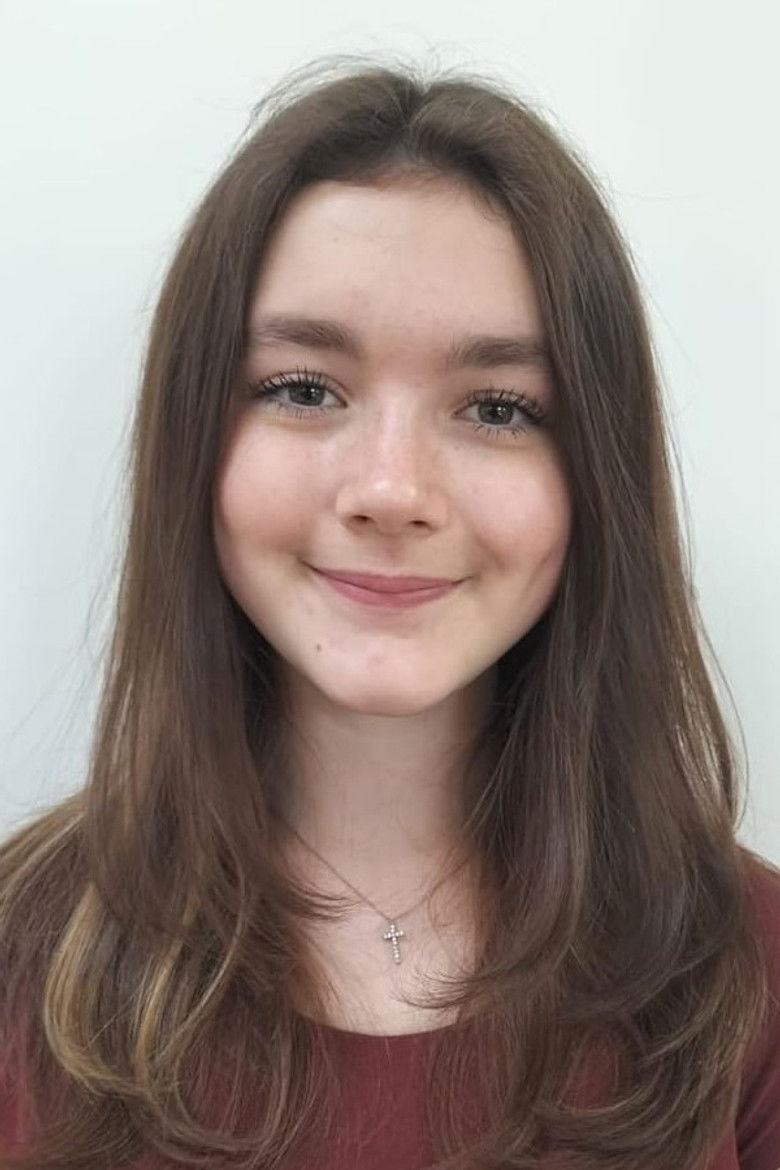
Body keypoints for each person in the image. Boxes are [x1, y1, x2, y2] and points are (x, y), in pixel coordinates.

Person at [0, 52, 778, 1170]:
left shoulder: (749, 966)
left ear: (594, 476)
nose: (391, 490)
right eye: (303, 389)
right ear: (195, 441)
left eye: (498, 408)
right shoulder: (20, 957)